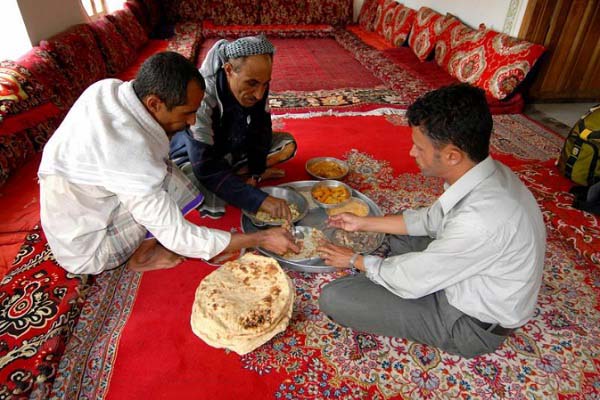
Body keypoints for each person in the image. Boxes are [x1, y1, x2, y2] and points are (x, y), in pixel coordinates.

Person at [317, 84, 546, 358]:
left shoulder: (482, 220)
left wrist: (354, 260)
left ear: (452, 155)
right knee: (398, 233)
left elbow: (412, 279)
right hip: (466, 271)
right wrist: (364, 223)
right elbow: (430, 219)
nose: (412, 153)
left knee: (335, 297)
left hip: (468, 323)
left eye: (419, 147)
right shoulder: (487, 172)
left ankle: (414, 293)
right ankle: (404, 270)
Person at [38, 51, 298, 275]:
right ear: (154, 103)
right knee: (170, 183)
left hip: (84, 211)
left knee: (168, 174)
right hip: (90, 248)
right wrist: (260, 237)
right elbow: (179, 235)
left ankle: (147, 241)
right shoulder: (129, 155)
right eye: (187, 113)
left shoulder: (109, 90)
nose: (193, 121)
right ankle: (142, 257)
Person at [169, 34, 297, 220]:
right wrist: (259, 200)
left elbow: (261, 129)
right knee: (202, 191)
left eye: (265, 84)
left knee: (287, 144)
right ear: (228, 70)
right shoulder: (203, 96)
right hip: (197, 154)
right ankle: (232, 179)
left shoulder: (258, 86)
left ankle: (235, 178)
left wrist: (255, 173)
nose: (260, 94)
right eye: (252, 83)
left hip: (233, 147)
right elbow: (205, 166)